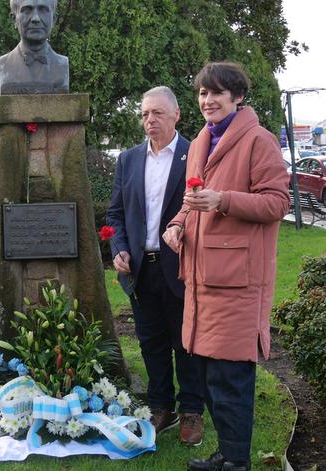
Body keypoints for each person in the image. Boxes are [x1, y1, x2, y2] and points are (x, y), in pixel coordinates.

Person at [162, 63, 289, 471]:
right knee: (210, 378)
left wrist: (224, 200)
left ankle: (236, 462)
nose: (207, 101)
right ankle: (226, 455)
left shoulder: (259, 140)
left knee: (231, 380)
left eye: (216, 93)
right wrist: (178, 224)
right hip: (201, 280)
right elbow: (191, 196)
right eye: (202, 93)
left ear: (238, 98)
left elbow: (277, 203)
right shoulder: (201, 140)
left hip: (238, 282)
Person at [106, 86, 205, 446]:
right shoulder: (128, 159)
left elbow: (201, 212)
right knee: (151, 342)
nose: (150, 120)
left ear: (176, 114)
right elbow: (115, 213)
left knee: (187, 343)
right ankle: (161, 405)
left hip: (182, 267)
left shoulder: (195, 154)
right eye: (145, 114)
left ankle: (192, 409)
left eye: (157, 113)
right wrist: (118, 247)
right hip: (140, 270)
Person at [0, 0, 69, 94]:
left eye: (43, 10)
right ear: (14, 19)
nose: (36, 18)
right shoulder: (4, 64)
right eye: (27, 10)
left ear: (54, 19)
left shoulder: (62, 65)